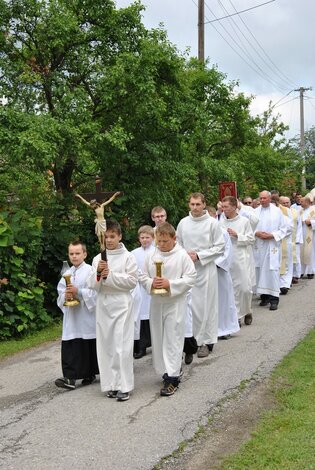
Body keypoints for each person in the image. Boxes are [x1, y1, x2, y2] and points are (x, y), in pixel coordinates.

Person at [139, 222, 196, 396]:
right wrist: (151, 283)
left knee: (173, 337)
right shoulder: (152, 255)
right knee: (159, 337)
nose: (161, 245)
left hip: (175, 302)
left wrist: (169, 283)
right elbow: (142, 275)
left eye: (165, 241)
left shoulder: (182, 256)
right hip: (156, 302)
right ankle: (165, 370)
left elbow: (191, 277)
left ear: (174, 239)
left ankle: (173, 377)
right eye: (159, 241)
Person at [87, 220, 137, 402]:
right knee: (107, 345)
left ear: (120, 237)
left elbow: (132, 281)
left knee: (121, 345)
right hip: (104, 303)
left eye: (112, 237)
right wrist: (98, 274)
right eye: (106, 237)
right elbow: (91, 284)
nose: (108, 240)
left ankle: (125, 385)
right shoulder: (97, 258)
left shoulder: (128, 257)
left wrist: (111, 275)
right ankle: (112, 384)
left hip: (121, 303)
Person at [176, 193, 225, 358]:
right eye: (192, 204)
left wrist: (199, 255)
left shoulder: (212, 223)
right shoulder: (183, 223)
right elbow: (178, 244)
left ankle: (206, 341)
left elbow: (220, 247)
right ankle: (191, 341)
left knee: (206, 305)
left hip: (205, 269)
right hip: (187, 270)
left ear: (204, 205)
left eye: (198, 204)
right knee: (189, 306)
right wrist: (185, 256)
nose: (195, 208)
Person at [55, 241, 99, 390]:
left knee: (88, 345)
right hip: (72, 318)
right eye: (71, 253)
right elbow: (60, 292)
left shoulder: (90, 271)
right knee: (71, 345)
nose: (74, 256)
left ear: (85, 254)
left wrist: (78, 292)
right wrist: (65, 297)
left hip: (86, 315)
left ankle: (89, 373)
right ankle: (70, 378)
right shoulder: (66, 274)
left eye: (77, 253)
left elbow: (95, 293)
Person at [220, 196, 256, 325]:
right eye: (222, 207)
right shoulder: (221, 221)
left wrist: (237, 235)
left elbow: (251, 239)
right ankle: (236, 316)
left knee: (245, 288)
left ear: (235, 207)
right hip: (226, 258)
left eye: (226, 207)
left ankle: (247, 310)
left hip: (240, 257)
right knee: (231, 288)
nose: (223, 210)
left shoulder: (244, 221)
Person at [207, 206, 240, 338]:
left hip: (219, 272)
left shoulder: (223, 232)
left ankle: (225, 328)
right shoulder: (201, 233)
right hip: (204, 272)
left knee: (223, 300)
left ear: (215, 217)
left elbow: (227, 253)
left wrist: (213, 263)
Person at [254, 191, 287, 311]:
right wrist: (256, 233)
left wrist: (272, 235)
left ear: (269, 198)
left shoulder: (277, 211)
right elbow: (249, 228)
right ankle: (264, 296)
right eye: (260, 198)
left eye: (264, 198)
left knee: (272, 271)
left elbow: (284, 229)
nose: (262, 200)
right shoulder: (255, 211)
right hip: (259, 245)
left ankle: (274, 299)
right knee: (259, 271)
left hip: (272, 245)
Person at [131, 225, 155, 359]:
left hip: (151, 287)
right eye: (142, 237)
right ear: (139, 238)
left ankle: (155, 343)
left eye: (147, 237)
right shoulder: (134, 253)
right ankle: (141, 346)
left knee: (152, 315)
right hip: (139, 289)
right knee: (139, 316)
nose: (145, 240)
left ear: (153, 238)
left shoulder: (156, 251)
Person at [299, 196, 315, 279]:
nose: (300, 203)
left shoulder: (313, 210)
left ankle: (310, 271)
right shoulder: (300, 211)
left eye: (302, 201)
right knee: (301, 252)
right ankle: (301, 271)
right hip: (301, 234)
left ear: (308, 202)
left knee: (310, 252)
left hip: (311, 235)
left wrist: (311, 222)